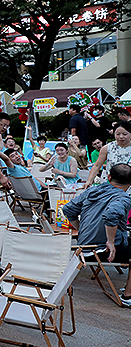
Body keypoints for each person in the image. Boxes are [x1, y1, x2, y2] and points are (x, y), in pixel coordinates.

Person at [62, 164, 131, 306]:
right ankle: (128, 296)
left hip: (82, 248)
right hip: (100, 251)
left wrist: (81, 230)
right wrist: (110, 242)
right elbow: (111, 214)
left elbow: (68, 209)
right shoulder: (123, 198)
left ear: (109, 177)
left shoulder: (93, 190)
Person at [84, 122, 131, 189]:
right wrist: (89, 181)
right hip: (112, 186)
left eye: (125, 134)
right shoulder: (107, 148)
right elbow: (97, 166)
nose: (121, 137)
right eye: (118, 134)